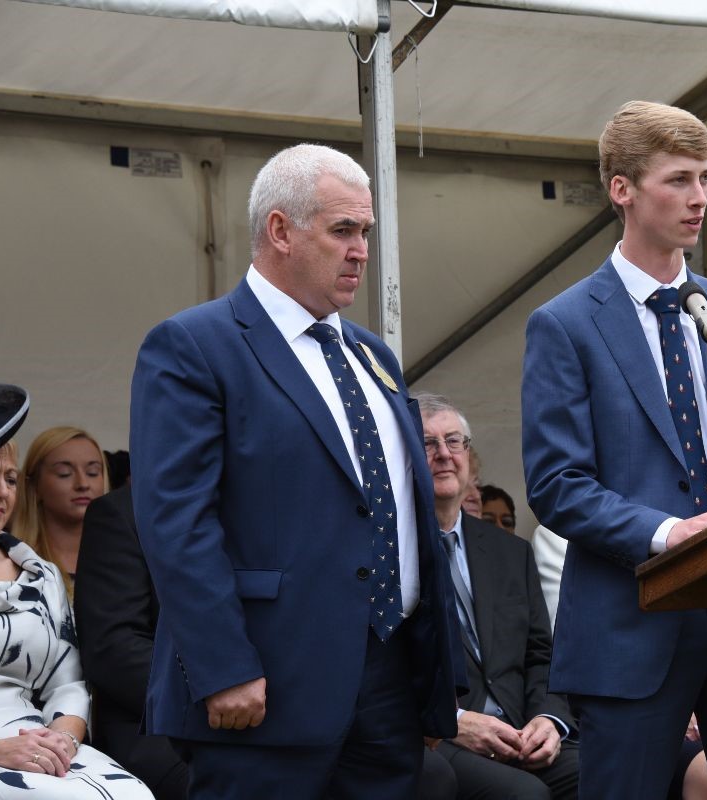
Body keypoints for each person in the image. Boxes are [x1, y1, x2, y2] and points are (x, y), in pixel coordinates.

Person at [129, 143, 461, 799]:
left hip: (388, 687)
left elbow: (399, 513)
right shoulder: (196, 345)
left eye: (365, 231)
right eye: (343, 230)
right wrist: (222, 666)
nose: (361, 249)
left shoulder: (375, 358)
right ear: (279, 230)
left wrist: (427, 678)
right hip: (264, 688)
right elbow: (176, 521)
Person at [522, 100, 707, 799]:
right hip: (635, 617)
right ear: (622, 189)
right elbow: (558, 481)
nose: (699, 199)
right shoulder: (564, 324)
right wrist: (667, 534)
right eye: (679, 180)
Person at [0, 399, 154, 798]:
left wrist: (63, 740)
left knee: (135, 795)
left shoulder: (41, 574)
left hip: (38, 739)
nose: (1, 491)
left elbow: (69, 683)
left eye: (10, 479)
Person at [420, 393, 578, 800]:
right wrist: (454, 720)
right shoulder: (391, 549)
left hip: (520, 732)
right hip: (442, 738)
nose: (443, 454)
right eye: (428, 443)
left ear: (469, 457)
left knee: (614, 773)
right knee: (524, 796)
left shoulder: (511, 552)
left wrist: (548, 718)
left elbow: (542, 655)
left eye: (454, 441)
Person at [75, 484, 189, 800]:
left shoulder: (266, 510)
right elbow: (114, 649)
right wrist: (219, 686)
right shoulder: (123, 512)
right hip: (158, 728)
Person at [12, 425, 108, 598]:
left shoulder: (126, 560)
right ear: (34, 485)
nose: (83, 483)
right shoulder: (11, 564)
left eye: (93, 472)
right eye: (64, 473)